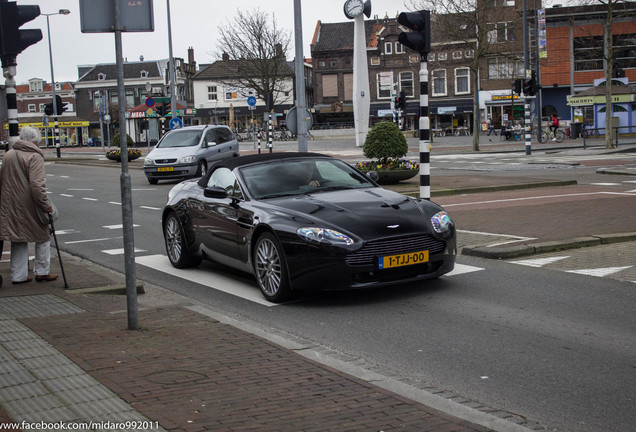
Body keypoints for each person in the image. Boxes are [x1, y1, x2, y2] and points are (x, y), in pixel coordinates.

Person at [0, 127, 58, 284]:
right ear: (35, 140)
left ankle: (18, 276)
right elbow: (37, 186)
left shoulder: (9, 155)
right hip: (29, 204)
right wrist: (46, 205)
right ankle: (42, 271)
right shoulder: (34, 156)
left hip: (11, 204)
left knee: (18, 237)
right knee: (43, 235)